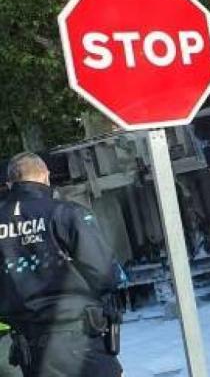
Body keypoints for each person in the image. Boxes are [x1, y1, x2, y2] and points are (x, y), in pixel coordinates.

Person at [0, 152, 123, 377]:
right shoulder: (65, 212)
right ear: (46, 175)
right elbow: (105, 274)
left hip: (31, 347)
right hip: (80, 336)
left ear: (10, 183)